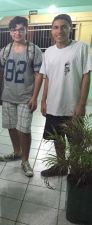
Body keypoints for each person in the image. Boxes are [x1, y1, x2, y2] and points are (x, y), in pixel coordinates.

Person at [40, 14, 92, 177]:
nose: (59, 31)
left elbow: (86, 76)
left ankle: (76, 170)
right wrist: (43, 100)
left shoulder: (81, 48)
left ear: (70, 28)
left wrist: (81, 104)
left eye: (64, 26)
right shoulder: (48, 52)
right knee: (58, 139)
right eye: (55, 27)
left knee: (75, 140)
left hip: (73, 106)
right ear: (51, 31)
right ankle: (61, 166)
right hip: (54, 105)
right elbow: (47, 77)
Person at [0, 16, 43, 177]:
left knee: (24, 129)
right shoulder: (5, 50)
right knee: (11, 126)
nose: (17, 32)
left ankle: (25, 160)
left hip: (25, 97)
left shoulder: (34, 50)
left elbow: (39, 75)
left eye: (21, 29)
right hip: (8, 96)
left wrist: (34, 97)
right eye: (14, 29)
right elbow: (0, 74)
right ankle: (17, 152)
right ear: (10, 32)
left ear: (26, 30)